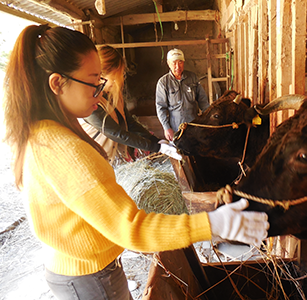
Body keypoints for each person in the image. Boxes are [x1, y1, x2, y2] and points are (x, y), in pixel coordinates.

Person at [3, 24, 269, 300]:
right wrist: (212, 224)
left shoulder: (44, 133)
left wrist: (156, 142)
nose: (100, 89)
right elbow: (131, 228)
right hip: (89, 278)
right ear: (57, 83)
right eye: (94, 81)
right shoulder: (62, 148)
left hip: (81, 268)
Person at [80, 45, 181, 166]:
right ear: (101, 75)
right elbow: (116, 133)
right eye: (115, 76)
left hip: (108, 159)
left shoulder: (113, 93)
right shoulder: (88, 102)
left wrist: (156, 141)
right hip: (91, 160)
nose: (118, 81)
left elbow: (129, 122)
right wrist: (156, 147)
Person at [156, 48, 210, 141]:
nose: (177, 66)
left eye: (180, 62)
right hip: (175, 128)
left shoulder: (192, 78)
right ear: (168, 64)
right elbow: (161, 107)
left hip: (193, 125)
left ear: (184, 62)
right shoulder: (163, 82)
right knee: (179, 152)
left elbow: (203, 100)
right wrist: (166, 128)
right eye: (174, 63)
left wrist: (209, 119)